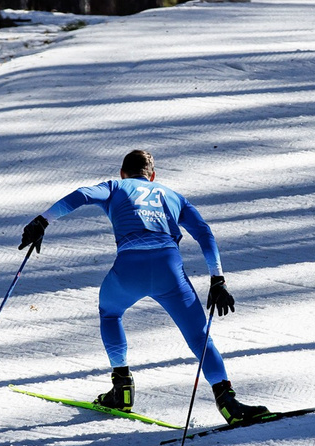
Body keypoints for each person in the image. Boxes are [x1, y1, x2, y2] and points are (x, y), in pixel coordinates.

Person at [18, 148, 273, 423]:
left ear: (122, 173)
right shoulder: (173, 196)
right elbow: (204, 234)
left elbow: (82, 194)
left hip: (130, 269)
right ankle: (228, 402)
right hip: (169, 270)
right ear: (152, 176)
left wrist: (42, 221)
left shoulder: (116, 186)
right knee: (200, 337)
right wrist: (217, 279)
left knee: (111, 312)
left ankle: (122, 387)